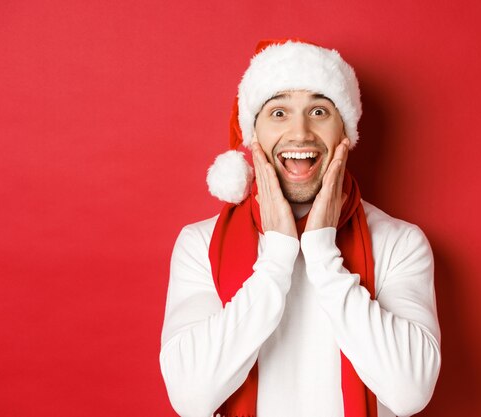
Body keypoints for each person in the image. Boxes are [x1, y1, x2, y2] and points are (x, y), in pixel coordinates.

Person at [159, 39, 441, 417]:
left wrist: (323, 254)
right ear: (253, 135)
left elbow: (410, 393)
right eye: (278, 113)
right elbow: (191, 397)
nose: (301, 132)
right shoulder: (199, 245)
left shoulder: (400, 242)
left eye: (319, 111)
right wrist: (276, 257)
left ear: (345, 133)